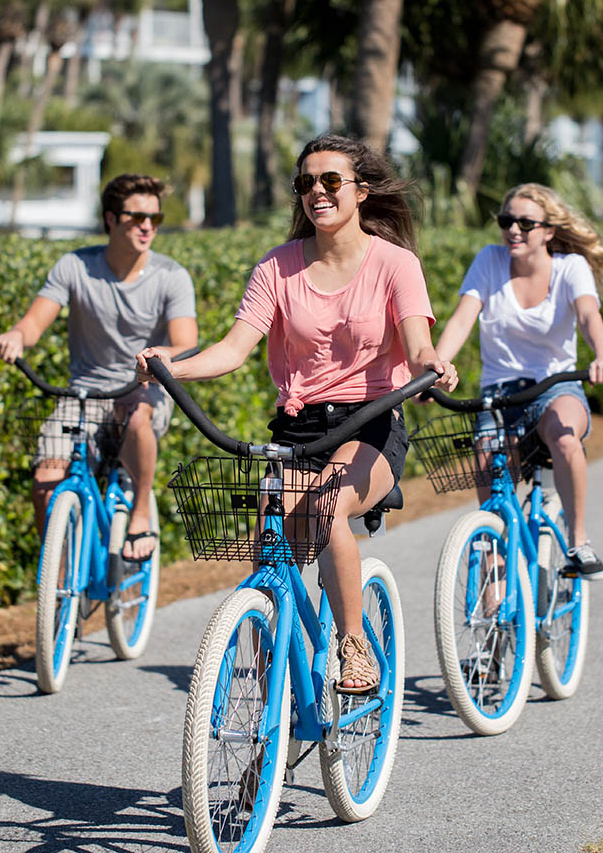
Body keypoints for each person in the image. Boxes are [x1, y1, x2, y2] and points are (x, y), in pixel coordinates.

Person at [137, 134, 457, 693]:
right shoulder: (277, 268)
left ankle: (354, 644)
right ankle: (271, 698)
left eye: (331, 181)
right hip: (298, 427)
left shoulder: (395, 264)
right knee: (270, 543)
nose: (317, 192)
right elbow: (233, 349)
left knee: (327, 507)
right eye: (306, 183)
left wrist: (434, 364)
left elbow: (417, 346)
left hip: (371, 420)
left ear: (360, 191)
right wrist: (173, 365)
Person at [0, 174, 197, 562]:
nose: (147, 227)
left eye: (155, 219)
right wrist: (17, 336)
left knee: (138, 418)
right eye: (137, 217)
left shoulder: (172, 276)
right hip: (84, 393)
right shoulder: (75, 266)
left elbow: (186, 343)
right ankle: (59, 577)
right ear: (110, 218)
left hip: (144, 388)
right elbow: (34, 323)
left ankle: (140, 510)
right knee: (45, 482)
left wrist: (160, 360)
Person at [434, 182, 603, 579]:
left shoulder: (571, 268)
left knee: (564, 436)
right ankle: (495, 594)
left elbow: (587, 315)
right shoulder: (489, 261)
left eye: (525, 223)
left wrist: (602, 354)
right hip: (499, 394)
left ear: (549, 230)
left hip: (555, 385)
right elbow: (463, 317)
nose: (513, 230)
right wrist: (435, 367)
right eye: (506, 221)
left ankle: (578, 542)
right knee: (492, 492)